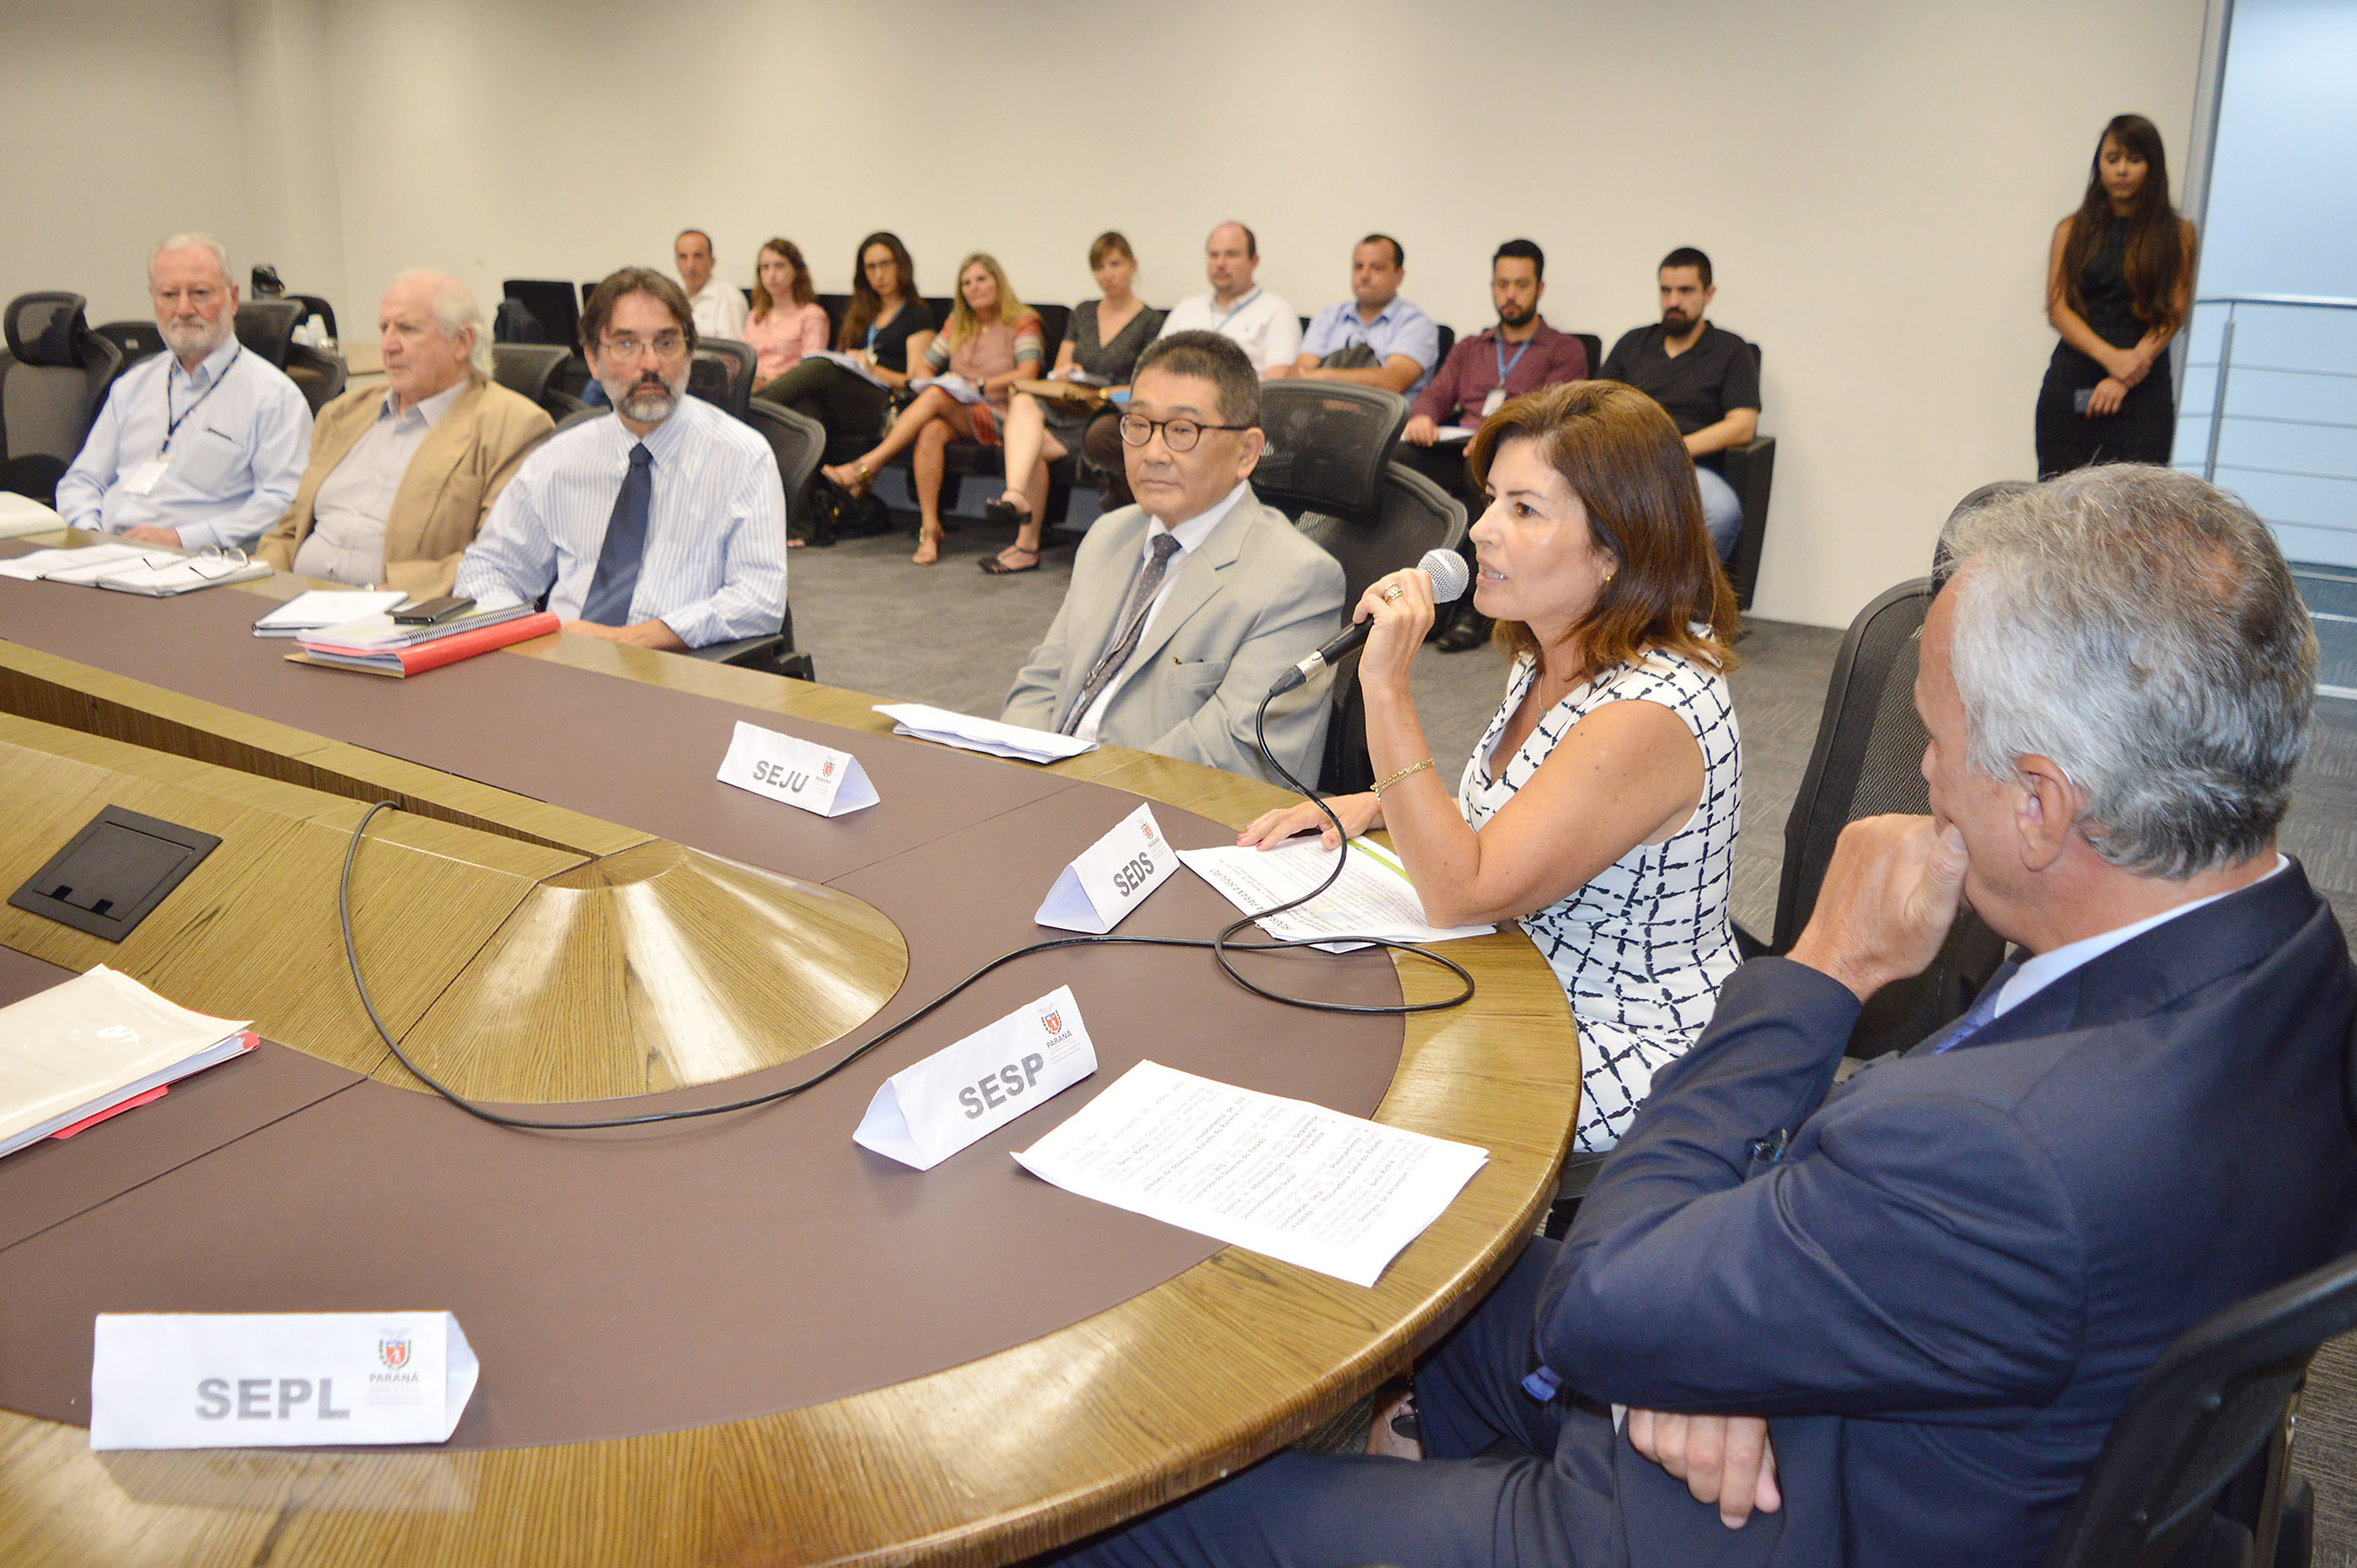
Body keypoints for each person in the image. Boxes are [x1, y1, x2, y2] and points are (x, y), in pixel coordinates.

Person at [1054, 461, 2357, 1568]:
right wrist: (1719, 1343)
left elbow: (1602, 1308)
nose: (1920, 773)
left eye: (1934, 739)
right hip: (1885, 1368)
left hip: (1730, 1523)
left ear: (2041, 803)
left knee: (1141, 1517)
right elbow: (1845, 1256)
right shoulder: (2292, 951)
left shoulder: (1999, 1148)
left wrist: (1825, 967)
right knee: (1436, 1253)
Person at [1243, 381, 1739, 1154]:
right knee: (1311, 1007)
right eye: (1492, 501)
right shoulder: (1548, 650)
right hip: (1516, 973)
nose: (1481, 531)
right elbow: (1515, 821)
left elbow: (1461, 892)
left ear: (1615, 548)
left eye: (1525, 510)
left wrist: (1386, 687)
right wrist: (1377, 803)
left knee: (1354, 1089)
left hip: (1614, 1039)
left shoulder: (1648, 712)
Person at [1002, 331, 1345, 783]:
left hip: (1156, 812)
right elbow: (1042, 682)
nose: (1153, 453)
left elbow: (1237, 755)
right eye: (1138, 425)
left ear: (1247, 452)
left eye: (1182, 430)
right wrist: (1015, 770)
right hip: (1048, 789)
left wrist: (1078, 788)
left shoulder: (1296, 578)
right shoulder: (1109, 535)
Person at [454, 267, 785, 650]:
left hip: (676, 667)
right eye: (626, 344)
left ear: (689, 354)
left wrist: (629, 640)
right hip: (560, 659)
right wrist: (530, 639)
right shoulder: (561, 457)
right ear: (593, 360)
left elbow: (760, 598)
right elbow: (488, 569)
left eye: (666, 343)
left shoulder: (742, 456)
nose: (650, 364)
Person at [254, 271, 551, 597]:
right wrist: (254, 583)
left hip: (400, 612)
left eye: (407, 329)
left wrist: (386, 595)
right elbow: (290, 530)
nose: (388, 345)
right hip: (292, 599)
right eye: (385, 329)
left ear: (462, 343)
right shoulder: (343, 413)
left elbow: (500, 561)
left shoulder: (513, 426)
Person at [56, 233, 312, 550]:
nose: (183, 308)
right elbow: (81, 481)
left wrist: (183, 539)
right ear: (154, 299)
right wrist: (91, 534)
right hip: (105, 552)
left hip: (197, 562)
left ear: (233, 299)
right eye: (169, 294)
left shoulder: (275, 397)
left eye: (200, 293)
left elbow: (284, 502)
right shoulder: (132, 386)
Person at [1400, 239, 1593, 651]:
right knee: (1398, 461)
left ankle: (1474, 607)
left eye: (1521, 285)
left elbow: (1556, 419)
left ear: (1540, 288)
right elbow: (1436, 394)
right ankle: (1426, 593)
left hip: (1518, 456)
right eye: (1502, 284)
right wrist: (1423, 416)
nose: (1510, 294)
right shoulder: (1472, 347)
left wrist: (1493, 438)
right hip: (1459, 445)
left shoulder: (1564, 350)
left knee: (1483, 474)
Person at [822, 254, 1040, 566]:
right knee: (931, 430)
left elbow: (1028, 373)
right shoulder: (957, 324)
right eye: (966, 283)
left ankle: (866, 465)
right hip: (961, 411)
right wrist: (936, 379)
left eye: (981, 279)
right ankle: (930, 529)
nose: (974, 287)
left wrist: (979, 385)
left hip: (1006, 416)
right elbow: (924, 366)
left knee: (937, 396)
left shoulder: (1023, 321)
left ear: (998, 282)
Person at [981, 231, 1165, 575]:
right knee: (1024, 402)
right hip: (1068, 406)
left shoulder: (1151, 321)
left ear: (1133, 266)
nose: (1107, 274)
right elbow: (1059, 369)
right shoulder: (1083, 312)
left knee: (1029, 445)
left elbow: (1147, 384)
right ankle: (1015, 495)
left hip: (1106, 416)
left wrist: (1102, 391)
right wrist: (1067, 375)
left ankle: (1025, 542)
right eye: (1099, 267)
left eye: (1115, 264)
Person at [1082, 222, 1302, 507]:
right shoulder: (1188, 309)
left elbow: (1274, 389)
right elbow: (1153, 370)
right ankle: (1150, 511)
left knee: (1198, 440)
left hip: (1224, 422)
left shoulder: (1276, 312)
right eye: (1214, 255)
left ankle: (1187, 513)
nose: (1220, 263)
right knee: (1102, 434)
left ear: (1254, 260)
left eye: (1232, 254)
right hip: (1167, 418)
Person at [2036, 114, 2198, 476]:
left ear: (2152, 167)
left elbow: (2175, 312)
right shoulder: (2071, 230)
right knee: (2060, 501)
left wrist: (2125, 376)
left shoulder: (2179, 233)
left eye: (2134, 160)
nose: (2121, 170)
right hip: (2073, 378)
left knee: (2139, 503)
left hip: (2145, 387)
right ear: (2099, 165)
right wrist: (2112, 359)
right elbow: (2058, 309)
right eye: (2112, 159)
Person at [751, 232, 938, 529]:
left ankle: (751, 410)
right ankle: (801, 523)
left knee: (820, 366)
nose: (879, 274)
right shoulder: (862, 314)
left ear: (901, 265)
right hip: (850, 402)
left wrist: (874, 371)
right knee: (807, 412)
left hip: (887, 405)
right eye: (871, 267)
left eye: (885, 264)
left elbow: (916, 383)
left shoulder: (917, 316)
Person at [1599, 247, 1759, 561]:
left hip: (1690, 468)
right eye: (1666, 291)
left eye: (1685, 291)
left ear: (1708, 294)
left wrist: (1673, 449)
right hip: (1625, 464)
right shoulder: (1634, 343)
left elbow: (1743, 425)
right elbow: (1595, 404)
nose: (1674, 301)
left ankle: (1684, 594)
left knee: (1722, 511)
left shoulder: (1731, 350)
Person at [1290, 234, 1440, 396]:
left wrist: (1322, 377)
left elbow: (1391, 382)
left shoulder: (1415, 323)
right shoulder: (1329, 317)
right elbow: (1296, 377)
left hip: (1382, 413)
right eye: (1358, 267)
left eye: (1377, 268)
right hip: (1318, 410)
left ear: (1399, 275)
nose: (1365, 275)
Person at [742, 238, 830, 389]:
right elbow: (743, 359)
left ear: (796, 270)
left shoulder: (812, 315)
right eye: (765, 267)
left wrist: (766, 381)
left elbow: (811, 370)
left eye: (779, 266)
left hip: (789, 390)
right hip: (751, 386)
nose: (772, 274)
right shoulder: (755, 315)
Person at [674, 228, 747, 341]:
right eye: (683, 257)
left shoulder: (728, 298)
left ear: (712, 261)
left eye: (698, 257)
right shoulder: (673, 299)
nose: (690, 266)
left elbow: (731, 349)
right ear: (677, 262)